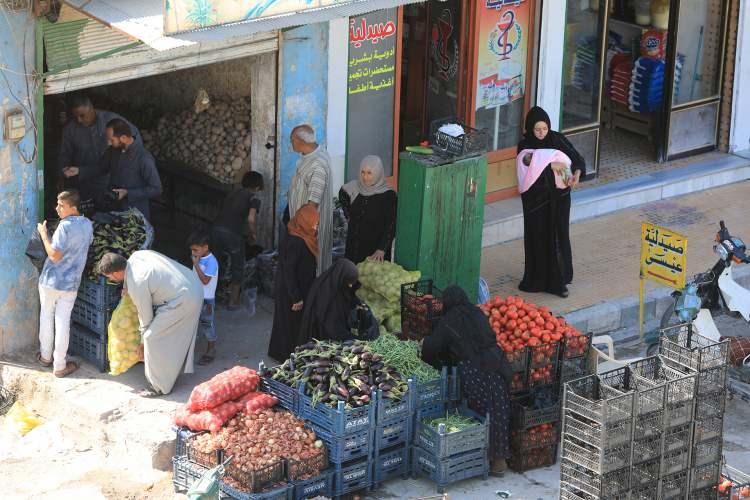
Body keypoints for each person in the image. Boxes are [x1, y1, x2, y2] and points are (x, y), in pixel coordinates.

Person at [420, 285, 513, 476]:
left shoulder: (449, 320)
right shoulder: (477, 312)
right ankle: (499, 459)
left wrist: (423, 347)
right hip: (496, 363)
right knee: (499, 409)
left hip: (475, 370)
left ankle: (481, 458)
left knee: (480, 413)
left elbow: (431, 348)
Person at [96, 250, 203, 396]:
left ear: (116, 273)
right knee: (165, 334)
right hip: (192, 284)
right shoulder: (137, 256)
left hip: (184, 299)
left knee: (151, 338)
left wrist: (142, 343)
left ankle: (159, 387)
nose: (112, 280)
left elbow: (145, 318)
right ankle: (168, 368)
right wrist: (127, 286)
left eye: (110, 278)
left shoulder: (137, 283)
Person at [517, 106, 585, 298]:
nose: (541, 133)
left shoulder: (557, 139)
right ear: (530, 128)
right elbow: (527, 173)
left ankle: (560, 279)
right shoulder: (524, 146)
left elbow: (576, 158)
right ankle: (538, 279)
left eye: (544, 129)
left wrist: (577, 173)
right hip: (536, 203)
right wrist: (551, 165)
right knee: (539, 237)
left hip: (560, 200)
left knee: (559, 235)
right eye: (537, 129)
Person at [36, 190, 94, 377]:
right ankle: (59, 366)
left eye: (62, 205)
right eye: (57, 204)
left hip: (51, 281)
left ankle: (45, 357)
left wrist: (44, 234)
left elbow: (54, 255)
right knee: (62, 322)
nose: (57, 208)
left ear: (73, 207)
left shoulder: (64, 226)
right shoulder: (87, 224)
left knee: (46, 316)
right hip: (70, 284)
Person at [58, 94, 141, 205]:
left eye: (82, 115)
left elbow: (134, 137)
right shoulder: (70, 130)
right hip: (85, 183)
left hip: (111, 182)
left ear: (91, 108)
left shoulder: (112, 121)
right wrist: (62, 175)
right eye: (76, 116)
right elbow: (64, 155)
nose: (79, 120)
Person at [267, 205, 319, 362]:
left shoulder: (300, 236)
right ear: (304, 221)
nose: (316, 225)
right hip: (291, 290)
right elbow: (289, 271)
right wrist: (296, 297)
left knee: (288, 322)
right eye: (314, 222)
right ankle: (285, 355)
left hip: (295, 288)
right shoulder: (297, 241)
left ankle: (283, 353)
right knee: (289, 323)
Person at [211, 171, 264, 309]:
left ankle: (210, 298)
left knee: (214, 265)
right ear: (258, 187)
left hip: (215, 229)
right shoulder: (254, 198)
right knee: (237, 267)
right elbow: (251, 219)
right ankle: (233, 302)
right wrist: (253, 234)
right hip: (233, 234)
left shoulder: (232, 193)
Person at [285, 124, 333, 275]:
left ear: (300, 141)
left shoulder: (317, 165)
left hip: (306, 228)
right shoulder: (310, 155)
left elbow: (312, 206)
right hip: (300, 224)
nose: (291, 143)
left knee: (308, 268)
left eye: (292, 140)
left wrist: (300, 232)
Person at [99, 118, 162, 220]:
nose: (108, 143)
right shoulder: (112, 151)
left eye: (112, 140)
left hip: (135, 216)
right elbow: (100, 168)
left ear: (123, 138)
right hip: (113, 211)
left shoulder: (144, 158)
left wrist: (128, 193)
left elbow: (156, 189)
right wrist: (79, 170)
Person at [339, 155, 397, 264]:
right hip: (354, 248)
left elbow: (391, 224)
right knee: (352, 277)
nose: (365, 177)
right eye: (363, 172)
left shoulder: (389, 196)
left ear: (378, 172)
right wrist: (349, 215)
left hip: (374, 251)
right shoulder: (355, 188)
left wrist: (382, 249)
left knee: (370, 278)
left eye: (369, 173)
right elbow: (342, 194)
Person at [296, 259, 363, 345]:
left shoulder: (336, 281)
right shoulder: (325, 293)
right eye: (348, 282)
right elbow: (330, 324)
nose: (350, 286)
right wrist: (351, 337)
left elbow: (348, 295)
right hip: (319, 335)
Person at [188, 231, 220, 365]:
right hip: (196, 296)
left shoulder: (211, 262)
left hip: (207, 299)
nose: (193, 252)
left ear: (205, 247)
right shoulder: (199, 258)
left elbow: (206, 280)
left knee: (207, 324)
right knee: (193, 323)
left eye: (196, 249)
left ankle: (211, 350)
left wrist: (195, 264)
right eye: (192, 250)